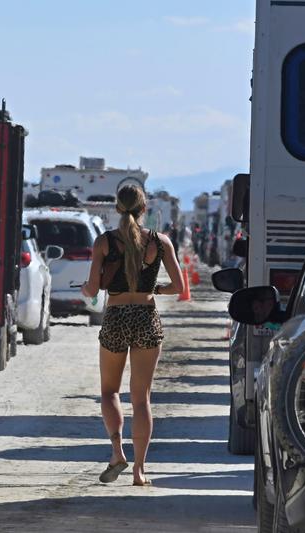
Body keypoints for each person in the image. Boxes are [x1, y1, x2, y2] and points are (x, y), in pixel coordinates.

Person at [81, 185, 185, 486]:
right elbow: (178, 287)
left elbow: (93, 287)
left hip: (115, 316)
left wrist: (87, 292)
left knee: (109, 391)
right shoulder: (160, 242)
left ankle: (117, 451)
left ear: (117, 208)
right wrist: (155, 289)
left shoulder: (104, 242)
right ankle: (140, 471)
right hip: (146, 317)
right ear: (144, 209)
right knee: (142, 399)